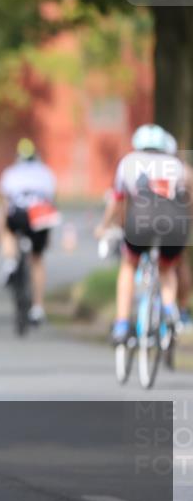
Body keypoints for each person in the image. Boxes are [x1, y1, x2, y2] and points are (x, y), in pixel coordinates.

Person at [95, 124, 192, 345]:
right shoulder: (179, 165)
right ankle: (170, 311)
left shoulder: (128, 162)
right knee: (167, 269)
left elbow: (117, 201)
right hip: (174, 224)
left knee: (129, 265)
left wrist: (104, 225)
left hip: (140, 222)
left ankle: (121, 324)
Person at [0, 138, 59, 325]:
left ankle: (9, 261)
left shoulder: (10, 173)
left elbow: (4, 205)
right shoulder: (46, 173)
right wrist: (49, 235)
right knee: (38, 260)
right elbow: (51, 202)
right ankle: (38, 307)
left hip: (19, 212)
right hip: (40, 214)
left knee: (9, 230)